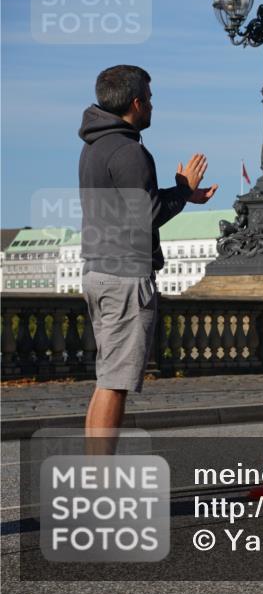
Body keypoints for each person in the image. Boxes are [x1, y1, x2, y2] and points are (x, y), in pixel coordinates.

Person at [79, 65, 218, 449]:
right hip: (125, 276)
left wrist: (182, 194)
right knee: (117, 384)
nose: (153, 107)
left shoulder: (93, 146)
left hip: (97, 270)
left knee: (107, 380)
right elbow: (148, 215)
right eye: (150, 100)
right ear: (136, 103)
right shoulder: (129, 150)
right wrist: (183, 190)